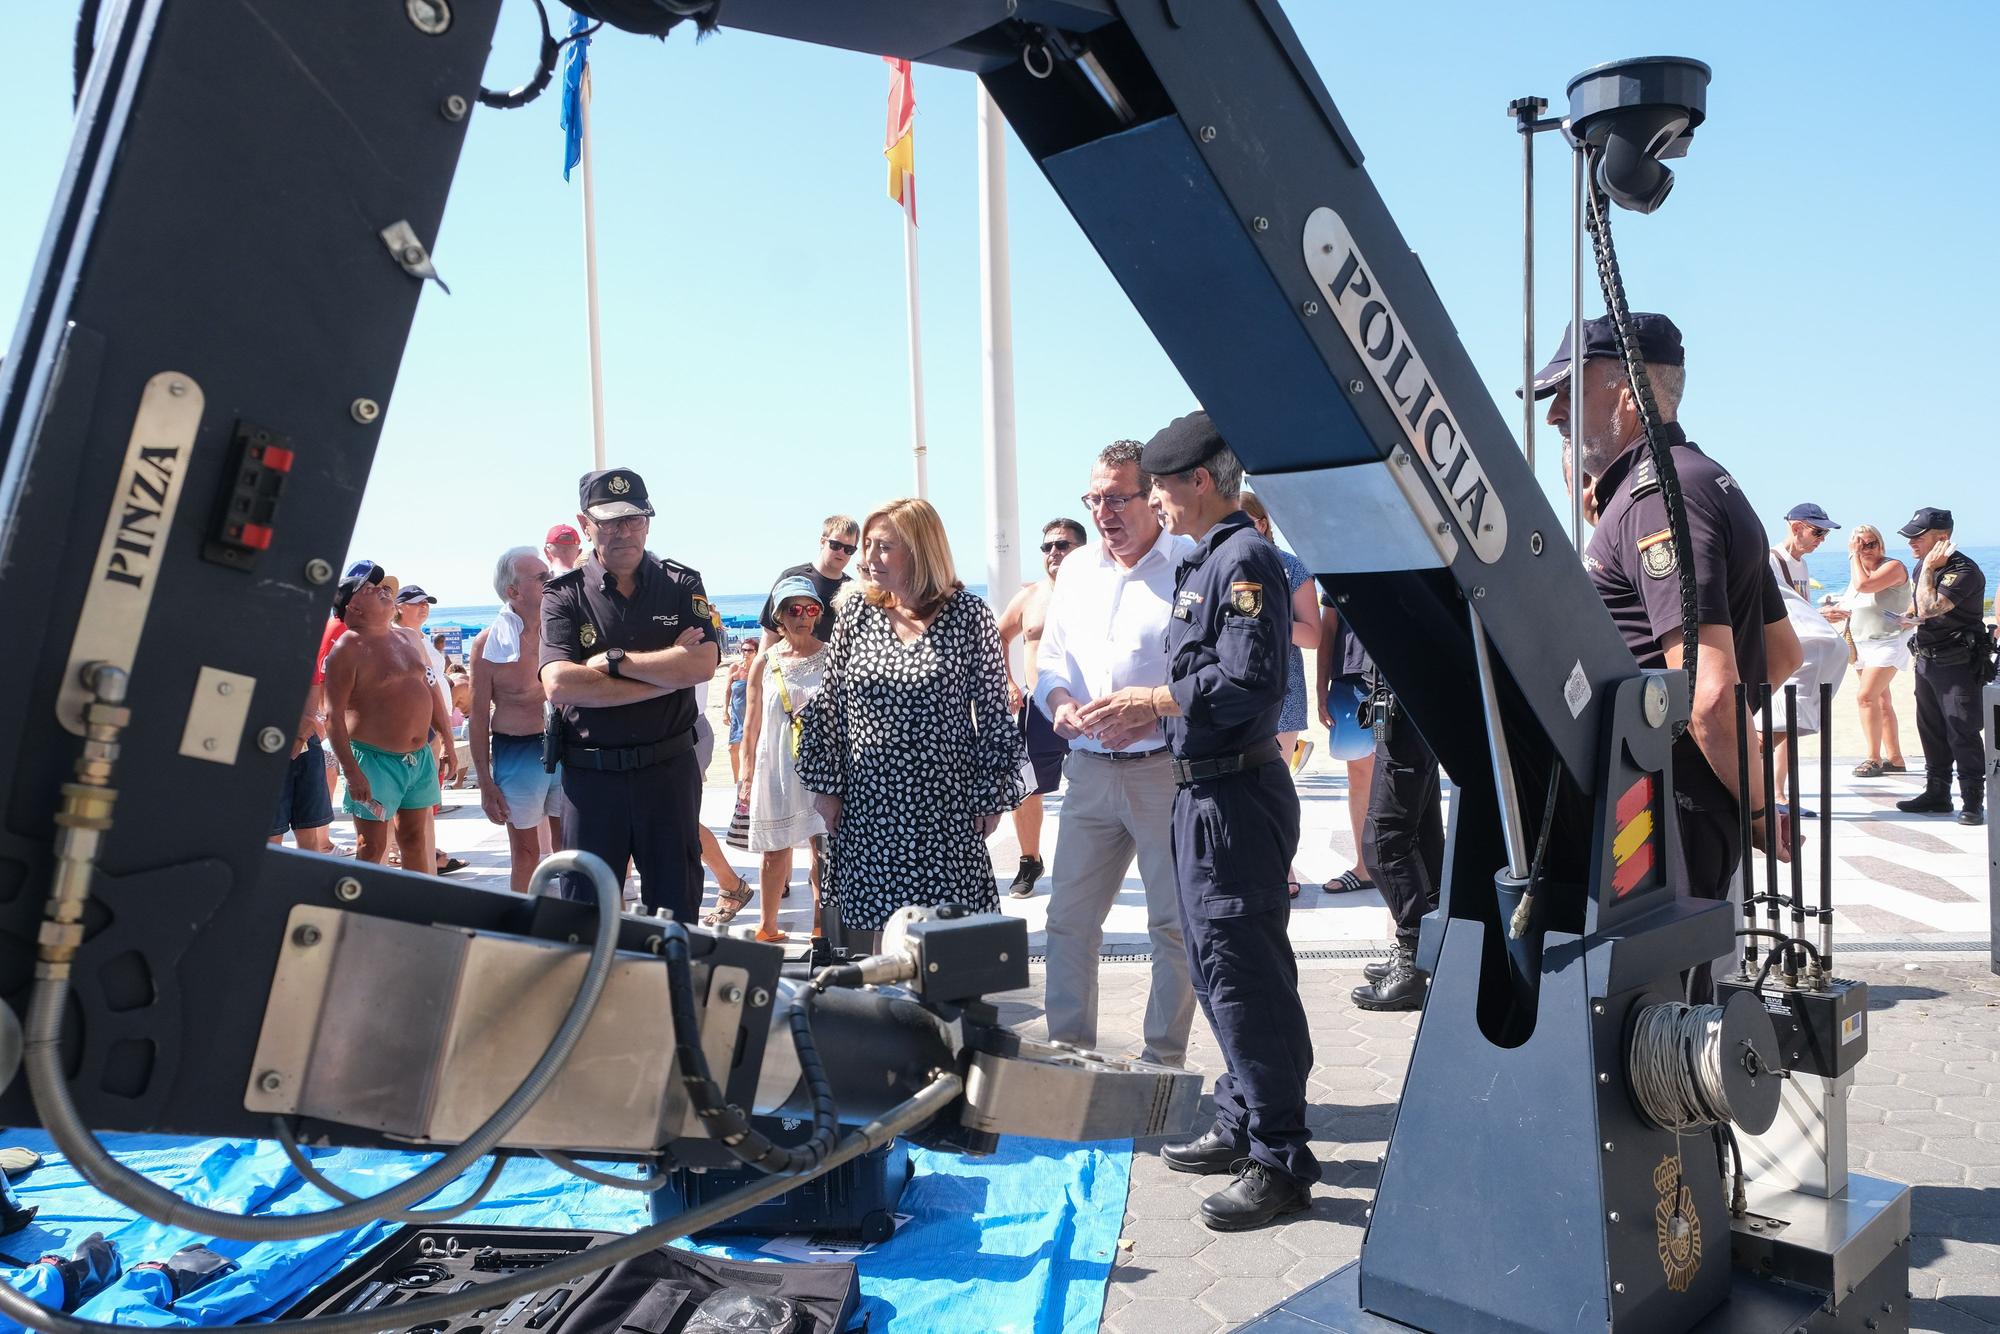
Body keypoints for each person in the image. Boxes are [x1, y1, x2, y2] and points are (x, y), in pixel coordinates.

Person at [1093, 412, 1315, 1232]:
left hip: (1235, 798)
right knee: (1216, 965)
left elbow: (1251, 681)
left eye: (1160, 482)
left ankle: (1283, 1158)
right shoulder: (1206, 562)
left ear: (1199, 483)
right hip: (1202, 794)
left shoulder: (1244, 557)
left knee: (1244, 971)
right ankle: (1245, 1115)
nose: (1153, 496)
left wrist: (1157, 700)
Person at [1538, 313, 1802, 909]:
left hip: (1658, 807)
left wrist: (1757, 807)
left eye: (1566, 392)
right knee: (1684, 988)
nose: (1553, 413)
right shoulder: (1706, 481)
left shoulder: (1656, 499)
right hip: (1687, 802)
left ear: (1627, 395)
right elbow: (1783, 653)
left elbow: (1709, 692)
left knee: (1656, 991)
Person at [797, 499, 1026, 950]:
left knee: (946, 943)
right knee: (878, 946)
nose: (867, 558)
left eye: (884, 547)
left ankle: (943, 1022)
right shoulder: (857, 613)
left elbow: (995, 712)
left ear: (920, 551)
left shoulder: (968, 615)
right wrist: (826, 790)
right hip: (869, 806)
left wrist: (991, 795)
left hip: (944, 807)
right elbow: (831, 705)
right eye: (867, 546)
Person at [1034, 440, 1196, 1068]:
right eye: (1093, 498)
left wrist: (1151, 706)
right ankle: (1069, 1057)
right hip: (1089, 774)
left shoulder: (1189, 562)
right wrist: (1061, 703)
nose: (1104, 511)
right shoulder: (1074, 571)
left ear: (1152, 495)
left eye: (1117, 497)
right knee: (1068, 922)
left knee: (1173, 928)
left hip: (1165, 773)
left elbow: (1210, 674)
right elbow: (1050, 661)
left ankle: (1162, 1062)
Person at [540, 468, 722, 918]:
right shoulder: (563, 596)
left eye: (634, 519)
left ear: (648, 522)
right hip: (592, 777)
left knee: (677, 914)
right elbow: (560, 683)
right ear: (586, 525)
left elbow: (702, 665)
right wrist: (665, 674)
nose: (623, 531)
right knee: (584, 918)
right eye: (610, 521)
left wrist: (614, 662)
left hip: (668, 774)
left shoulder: (681, 584)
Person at [323, 562, 457, 870]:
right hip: (374, 761)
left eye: (383, 587)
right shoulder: (347, 648)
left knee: (415, 840)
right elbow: (333, 716)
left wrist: (448, 741)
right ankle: (364, 916)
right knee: (371, 847)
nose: (383, 591)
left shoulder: (409, 639)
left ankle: (416, 913)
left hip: (419, 758)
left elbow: (430, 691)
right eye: (370, 589)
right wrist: (352, 771)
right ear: (353, 607)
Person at [724, 576, 830, 941]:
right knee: (773, 851)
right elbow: (750, 723)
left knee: (823, 850)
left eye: (810, 608)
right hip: (776, 765)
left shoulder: (832, 657)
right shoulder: (765, 662)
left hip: (822, 767)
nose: (803, 616)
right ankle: (767, 927)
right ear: (780, 616)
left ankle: (821, 925)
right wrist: (747, 776)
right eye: (794, 609)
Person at [995, 518, 1085, 898]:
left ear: (1082, 549)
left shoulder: (1101, 591)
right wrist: (1010, 683)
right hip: (1039, 709)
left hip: (1089, 707)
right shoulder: (1030, 597)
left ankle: (1089, 865)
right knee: (1027, 789)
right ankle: (1029, 860)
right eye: (1047, 547)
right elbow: (998, 636)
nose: (1054, 553)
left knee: (1094, 786)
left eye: (1062, 545)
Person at [1239, 491, 1321, 895]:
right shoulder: (1223, 564)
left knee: (1274, 783)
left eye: (1243, 519)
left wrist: (1268, 622)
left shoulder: (1292, 568)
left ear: (1262, 523)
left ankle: (1284, 869)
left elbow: (1312, 634)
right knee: (1239, 785)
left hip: (1282, 690)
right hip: (1235, 691)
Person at [470, 546, 565, 892]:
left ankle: (571, 922)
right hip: (518, 749)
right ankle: (521, 927)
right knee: (525, 854)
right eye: (542, 577)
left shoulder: (561, 631)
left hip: (564, 746)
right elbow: (478, 716)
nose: (551, 580)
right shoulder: (489, 644)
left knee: (568, 847)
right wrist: (485, 782)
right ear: (514, 591)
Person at [1348, 676, 1443, 1011]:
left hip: (1411, 700)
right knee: (1422, 834)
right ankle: (1431, 952)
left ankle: (1414, 962)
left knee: (1384, 843)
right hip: (1407, 701)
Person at [1893, 507, 1989, 825]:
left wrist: (1931, 570)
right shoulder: (1925, 566)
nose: (1911, 543)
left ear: (1942, 537)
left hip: (1959, 664)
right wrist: (1906, 616)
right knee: (1931, 730)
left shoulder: (1965, 570)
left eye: (1917, 537)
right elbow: (1918, 605)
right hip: (1927, 661)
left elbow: (1932, 606)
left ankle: (1973, 801)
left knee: (1962, 732)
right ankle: (1937, 793)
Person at [1764, 504, 1850, 819]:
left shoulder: (1800, 566)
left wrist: (1822, 616)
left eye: (1824, 534)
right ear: (1797, 527)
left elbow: (1797, 610)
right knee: (1780, 725)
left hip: (1799, 651)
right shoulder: (1772, 561)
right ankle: (1768, 794)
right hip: (1786, 656)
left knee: (1790, 725)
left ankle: (1778, 793)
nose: (1821, 540)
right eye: (1818, 532)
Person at [1822, 524, 1910, 777]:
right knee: (1881, 700)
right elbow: (1853, 598)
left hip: (1888, 642)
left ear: (1881, 544)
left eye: (1870, 543)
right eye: (1860, 545)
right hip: (1862, 643)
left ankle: (1873, 758)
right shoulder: (1858, 573)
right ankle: (1895, 758)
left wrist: (1852, 555)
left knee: (1865, 697)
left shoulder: (1893, 567)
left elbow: (1865, 586)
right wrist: (1831, 612)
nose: (1865, 549)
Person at [1315, 604, 1375, 895]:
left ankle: (1414, 864)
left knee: (1410, 774)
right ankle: (1365, 867)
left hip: (1406, 671)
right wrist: (1319, 687)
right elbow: (1328, 626)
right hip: (1351, 676)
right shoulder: (1338, 557)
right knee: (1360, 776)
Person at [758, 516, 859, 650]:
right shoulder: (792, 578)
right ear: (823, 542)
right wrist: (761, 667)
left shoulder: (852, 590)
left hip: (833, 668)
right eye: (835, 545)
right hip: (789, 666)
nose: (841, 552)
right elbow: (770, 632)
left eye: (848, 549)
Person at [269, 691, 335, 854]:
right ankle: (271, 879)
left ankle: (308, 878)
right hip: (266, 740)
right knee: (272, 834)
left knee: (308, 831)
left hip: (306, 741)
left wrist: (304, 731)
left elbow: (314, 685)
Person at [725, 640, 754, 783]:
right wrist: (725, 711)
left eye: (749, 650)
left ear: (756, 652)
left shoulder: (758, 669)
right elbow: (727, 690)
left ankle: (748, 779)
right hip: (737, 714)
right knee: (732, 748)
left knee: (749, 750)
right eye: (743, 650)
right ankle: (736, 781)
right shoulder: (734, 667)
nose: (746, 653)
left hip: (752, 714)